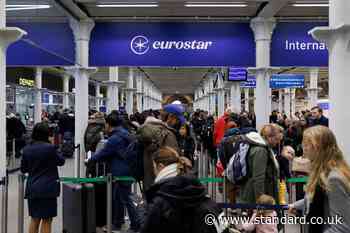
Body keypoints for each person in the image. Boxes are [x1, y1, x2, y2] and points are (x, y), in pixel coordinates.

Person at [141, 147, 223, 233]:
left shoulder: (160, 202)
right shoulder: (200, 191)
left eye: (153, 168)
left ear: (161, 167)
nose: (153, 172)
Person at [289, 126, 350, 233]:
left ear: (318, 147)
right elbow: (313, 197)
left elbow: (342, 227)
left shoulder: (333, 178)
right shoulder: (322, 172)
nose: (304, 148)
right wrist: (296, 205)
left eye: (307, 145)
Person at [88, 111, 140, 233]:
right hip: (127, 170)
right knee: (118, 198)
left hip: (120, 172)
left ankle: (135, 224)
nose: (105, 126)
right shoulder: (125, 133)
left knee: (126, 198)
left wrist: (90, 160)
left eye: (106, 124)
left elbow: (103, 153)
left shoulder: (115, 139)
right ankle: (118, 222)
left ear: (109, 124)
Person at [21, 123, 65, 233]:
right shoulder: (50, 148)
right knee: (47, 220)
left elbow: (23, 169)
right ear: (47, 134)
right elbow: (61, 161)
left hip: (32, 188)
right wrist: (56, 147)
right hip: (48, 189)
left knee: (34, 219)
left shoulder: (27, 149)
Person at [138, 104, 182, 191]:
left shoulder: (151, 130)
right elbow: (172, 158)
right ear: (171, 117)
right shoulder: (167, 134)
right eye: (176, 120)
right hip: (164, 179)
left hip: (149, 177)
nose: (177, 123)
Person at [238, 124, 283, 205]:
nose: (278, 142)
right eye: (277, 139)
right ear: (269, 137)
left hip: (260, 194)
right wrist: (261, 201)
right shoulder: (261, 151)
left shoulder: (262, 147)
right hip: (258, 197)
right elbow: (258, 177)